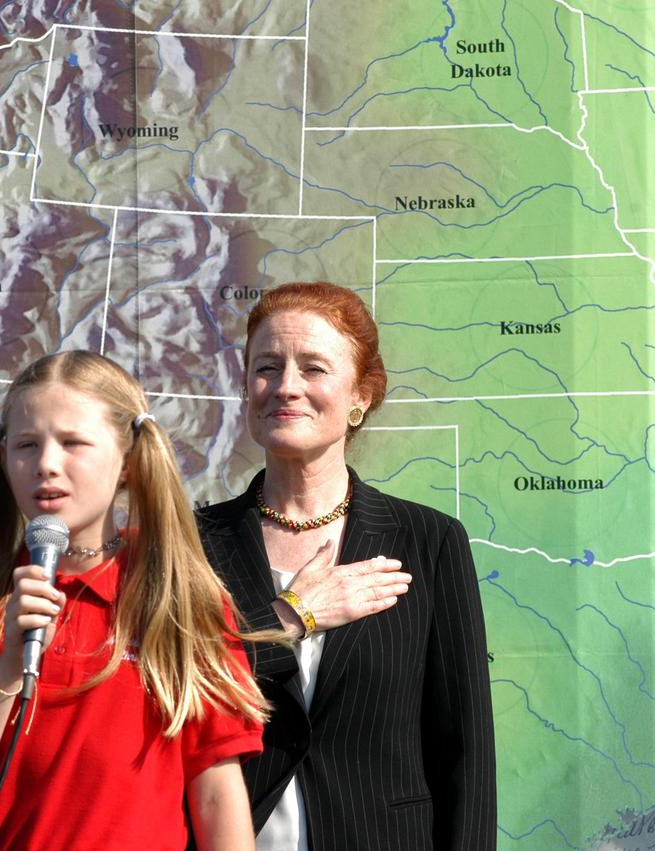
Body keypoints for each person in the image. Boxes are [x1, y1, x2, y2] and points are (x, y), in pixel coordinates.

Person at [0, 351, 266, 850]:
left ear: (127, 462)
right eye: (27, 446)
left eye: (73, 443)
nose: (47, 465)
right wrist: (7, 671)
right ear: (4, 457)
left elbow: (216, 796)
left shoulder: (175, 596)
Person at [197, 282, 496, 849]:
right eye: (266, 367)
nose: (286, 387)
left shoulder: (428, 541)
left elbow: (466, 752)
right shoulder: (192, 543)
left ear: (361, 395)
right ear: (245, 387)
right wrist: (291, 618)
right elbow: (175, 695)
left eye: (313, 369)